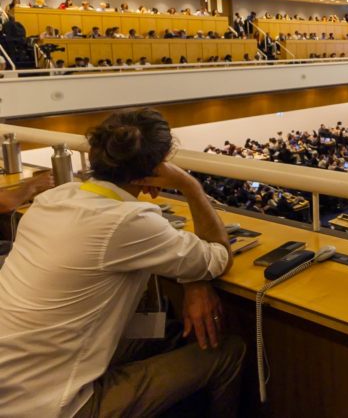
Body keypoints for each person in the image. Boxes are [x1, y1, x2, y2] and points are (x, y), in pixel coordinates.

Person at [0, 108, 244, 416]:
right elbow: (218, 257)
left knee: (167, 334)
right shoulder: (129, 220)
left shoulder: (56, 197)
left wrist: (192, 278)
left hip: (11, 379)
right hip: (48, 405)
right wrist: (190, 186)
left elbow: (184, 257)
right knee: (227, 352)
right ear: (157, 168)